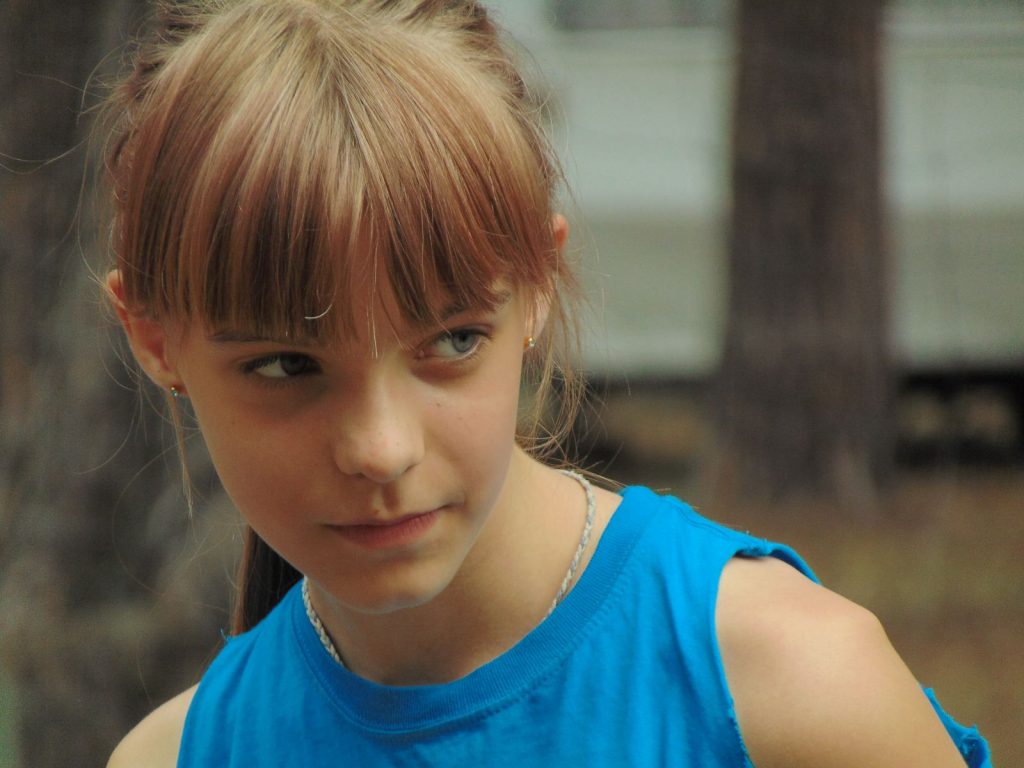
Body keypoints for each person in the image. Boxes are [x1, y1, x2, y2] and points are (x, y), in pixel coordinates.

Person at [102, 1, 990, 766]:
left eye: (451, 340)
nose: (381, 448)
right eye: (286, 366)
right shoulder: (177, 754)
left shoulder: (790, 685)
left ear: (535, 287)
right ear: (154, 339)